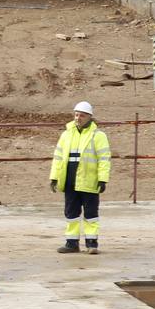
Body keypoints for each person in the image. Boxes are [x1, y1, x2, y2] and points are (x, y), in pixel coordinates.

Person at [49, 100, 111, 254]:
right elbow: (58, 158)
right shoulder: (66, 134)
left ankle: (92, 244)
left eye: (82, 115)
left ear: (89, 117)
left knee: (91, 214)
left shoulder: (98, 136)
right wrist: (54, 177)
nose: (78, 118)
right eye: (76, 115)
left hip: (89, 182)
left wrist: (103, 179)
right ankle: (71, 243)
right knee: (71, 213)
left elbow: (104, 158)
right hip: (70, 181)